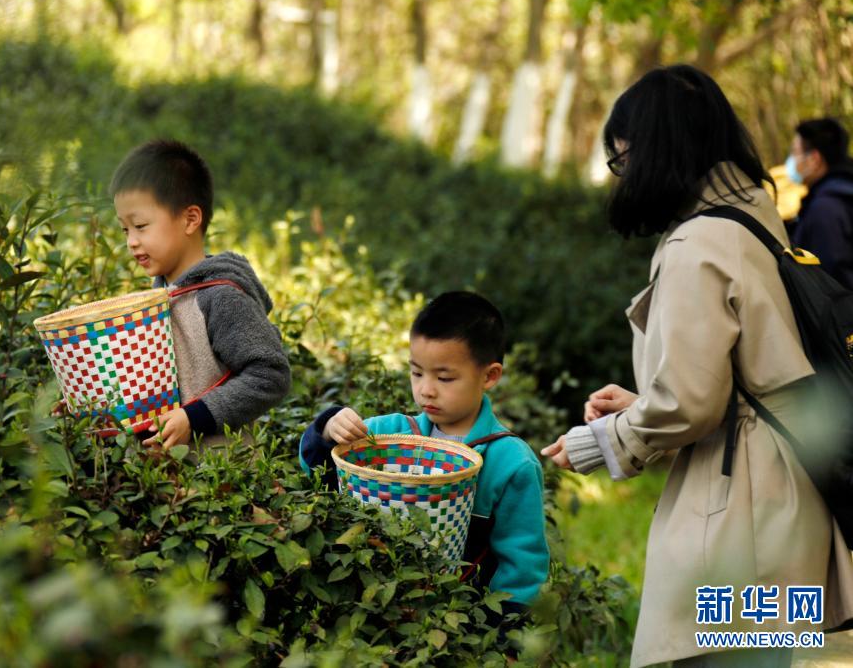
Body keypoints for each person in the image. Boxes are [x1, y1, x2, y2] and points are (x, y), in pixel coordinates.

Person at [540, 66, 853, 667]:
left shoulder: (697, 244)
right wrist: (644, 405)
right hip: (788, 506)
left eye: (622, 158)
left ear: (656, 149)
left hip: (739, 518)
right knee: (765, 658)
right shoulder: (755, 219)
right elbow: (744, 377)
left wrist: (599, 441)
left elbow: (689, 404)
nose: (623, 174)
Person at [299, 291, 549, 629]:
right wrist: (328, 428)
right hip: (367, 613)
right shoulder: (386, 435)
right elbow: (319, 473)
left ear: (489, 376)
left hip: (457, 626)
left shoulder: (510, 462)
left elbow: (522, 566)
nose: (426, 390)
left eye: (444, 378)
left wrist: (500, 635)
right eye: (417, 373)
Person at [110, 138, 291, 451]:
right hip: (167, 473)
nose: (131, 241)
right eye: (125, 229)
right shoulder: (158, 296)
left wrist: (194, 418)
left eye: (140, 225)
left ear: (190, 219)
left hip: (223, 473)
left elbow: (270, 374)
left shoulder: (220, 296)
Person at [786, 117, 853, 289]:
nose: (791, 161)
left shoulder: (825, 209)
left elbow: (832, 282)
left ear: (814, 159)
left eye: (795, 153)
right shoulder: (842, 192)